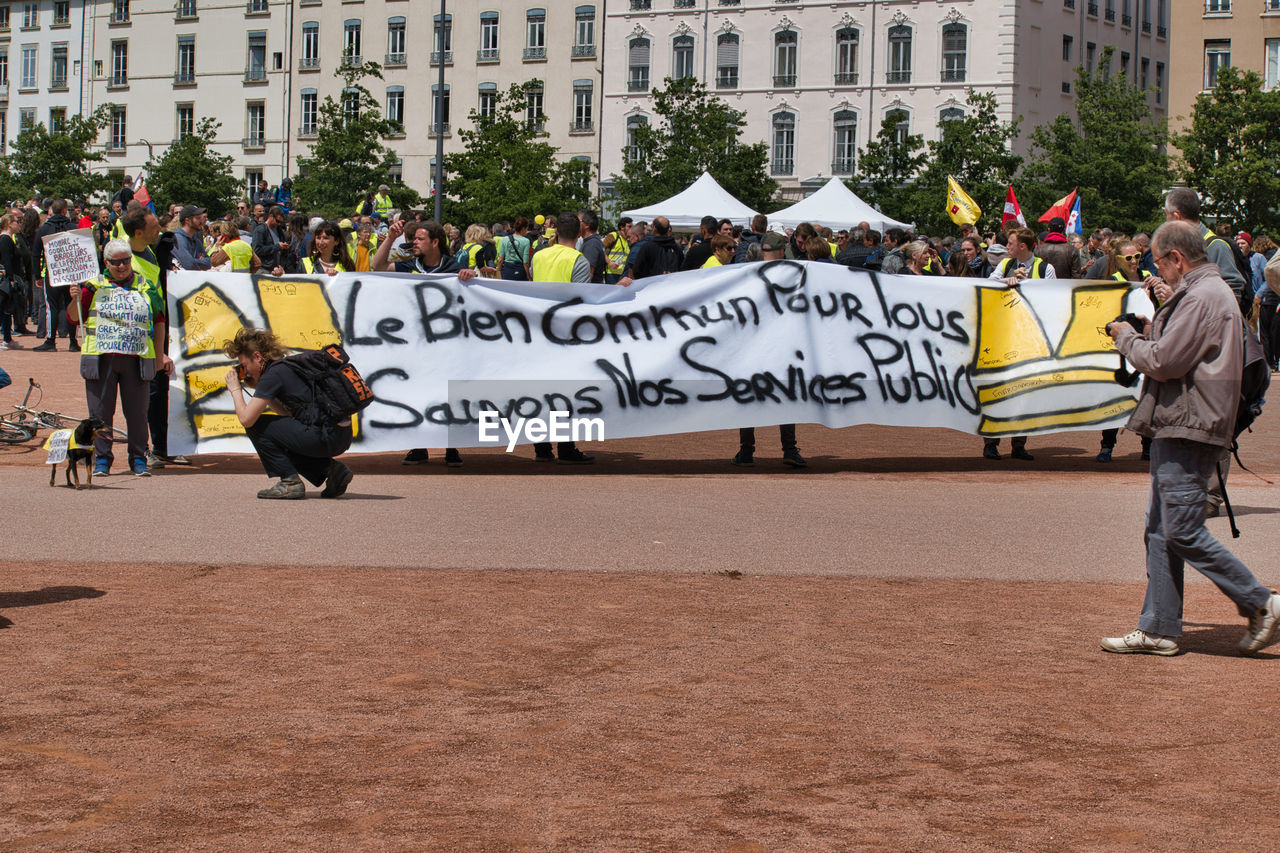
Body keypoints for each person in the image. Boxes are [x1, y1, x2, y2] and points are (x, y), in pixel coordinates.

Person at [1101, 220, 1280, 656]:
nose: (1156, 271)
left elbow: (1163, 362)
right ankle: (1159, 627)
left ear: (1176, 258)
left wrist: (1126, 338)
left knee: (1178, 529)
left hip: (1188, 422)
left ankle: (1261, 601)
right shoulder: (1207, 292)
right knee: (1161, 529)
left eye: (1158, 262)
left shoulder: (1201, 295)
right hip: (1188, 420)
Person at [370, 219, 475, 466]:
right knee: (417, 392)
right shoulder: (409, 264)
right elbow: (377, 266)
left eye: (419, 239)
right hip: (414, 343)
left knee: (449, 394)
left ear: (435, 242)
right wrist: (389, 238)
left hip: (446, 344)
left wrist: (470, 275)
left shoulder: (452, 267)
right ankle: (419, 446)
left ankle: (452, 447)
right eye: (413, 239)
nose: (413, 243)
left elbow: (473, 291)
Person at [70, 238, 172, 477]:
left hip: (136, 360)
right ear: (106, 262)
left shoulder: (146, 286)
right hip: (101, 359)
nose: (122, 266)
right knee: (100, 415)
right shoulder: (92, 286)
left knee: (137, 414)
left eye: (126, 260)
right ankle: (102, 460)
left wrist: (159, 354)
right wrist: (75, 296)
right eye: (116, 262)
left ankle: (138, 459)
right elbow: (75, 317)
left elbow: (159, 321)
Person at [222, 327, 354, 500]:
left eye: (244, 365)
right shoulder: (284, 367)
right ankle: (331, 470)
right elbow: (287, 414)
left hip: (325, 437)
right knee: (279, 435)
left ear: (257, 357)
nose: (244, 371)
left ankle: (290, 482)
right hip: (339, 435)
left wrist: (235, 390)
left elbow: (246, 420)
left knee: (257, 426)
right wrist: (264, 393)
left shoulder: (273, 375)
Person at [733, 232, 806, 468]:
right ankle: (788, 449)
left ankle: (747, 451)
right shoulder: (791, 275)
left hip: (755, 347)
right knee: (786, 396)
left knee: (750, 398)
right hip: (778, 345)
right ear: (782, 251)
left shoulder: (746, 276)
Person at [529, 212, 596, 464]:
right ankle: (566, 448)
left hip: (537, 332)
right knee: (565, 393)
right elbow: (582, 300)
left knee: (540, 391)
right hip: (565, 335)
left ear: (555, 232)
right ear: (579, 234)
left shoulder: (538, 256)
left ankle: (542, 448)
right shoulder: (578, 260)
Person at [983, 228, 1055, 461]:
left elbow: (1052, 296)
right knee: (997, 389)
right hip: (1003, 335)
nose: (1008, 247)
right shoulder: (1004, 265)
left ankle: (1019, 443)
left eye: (1011, 243)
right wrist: (1006, 281)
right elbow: (987, 287)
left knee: (1025, 391)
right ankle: (991, 443)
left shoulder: (1045, 268)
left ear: (1023, 246)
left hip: (1031, 338)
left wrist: (1030, 284)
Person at [1096, 239, 1154, 463]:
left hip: (1146, 345)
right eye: (1129, 258)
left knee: (1146, 396)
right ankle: (1107, 446)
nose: (1134, 261)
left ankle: (1147, 445)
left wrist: (1156, 289)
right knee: (1116, 397)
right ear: (1119, 260)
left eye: (1137, 256)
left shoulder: (1149, 276)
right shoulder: (1112, 281)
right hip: (1121, 349)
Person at [31, 198, 77, 352]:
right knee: (70, 306)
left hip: (52, 273)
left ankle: (50, 341)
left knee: (52, 307)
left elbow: (36, 253)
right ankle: (73, 341)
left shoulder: (44, 229)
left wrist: (37, 275)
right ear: (65, 210)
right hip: (70, 273)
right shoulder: (72, 227)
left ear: (52, 210)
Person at [619, 216, 682, 285]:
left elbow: (636, 271)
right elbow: (683, 268)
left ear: (654, 228)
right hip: (671, 286)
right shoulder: (676, 247)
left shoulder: (647, 247)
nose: (628, 239)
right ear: (668, 229)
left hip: (651, 288)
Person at [171, 206, 212, 271]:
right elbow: (189, 265)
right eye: (198, 218)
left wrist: (194, 261)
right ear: (187, 220)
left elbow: (208, 263)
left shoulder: (196, 240)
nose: (201, 221)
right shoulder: (178, 239)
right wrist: (199, 261)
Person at [499, 217, 533, 281]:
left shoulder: (505, 239)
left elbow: (500, 259)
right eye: (526, 228)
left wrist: (498, 271)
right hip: (519, 270)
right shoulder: (526, 241)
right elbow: (525, 262)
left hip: (507, 269)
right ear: (523, 228)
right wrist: (528, 276)